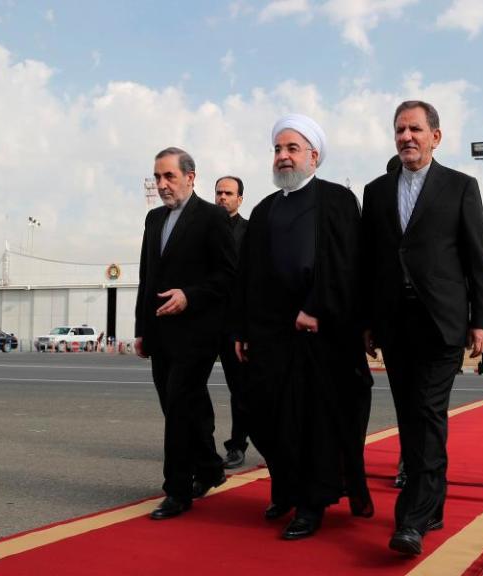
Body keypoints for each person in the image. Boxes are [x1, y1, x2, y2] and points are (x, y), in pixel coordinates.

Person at [233, 114, 372, 540]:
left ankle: (311, 503)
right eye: (278, 149)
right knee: (265, 415)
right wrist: (243, 328)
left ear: (314, 156)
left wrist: (316, 308)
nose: (283, 156)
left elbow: (347, 263)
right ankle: (287, 487)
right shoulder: (264, 208)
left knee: (311, 422)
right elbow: (249, 275)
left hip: (319, 331)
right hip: (271, 332)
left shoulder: (337, 201)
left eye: (292, 149)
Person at [361, 100, 483, 556]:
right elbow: (370, 264)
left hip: (441, 323)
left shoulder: (461, 187)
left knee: (428, 415)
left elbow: (477, 258)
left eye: (415, 129)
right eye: (399, 130)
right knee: (409, 418)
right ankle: (431, 503)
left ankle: (411, 520)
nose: (406, 137)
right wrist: (368, 322)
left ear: (436, 136)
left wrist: (482, 321)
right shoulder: (375, 191)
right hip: (395, 325)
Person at [135, 147, 236, 520]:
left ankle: (176, 490)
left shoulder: (212, 218)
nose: (162, 184)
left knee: (179, 405)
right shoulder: (153, 219)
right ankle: (210, 467)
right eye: (157, 177)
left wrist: (189, 296)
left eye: (169, 177)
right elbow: (148, 277)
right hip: (160, 333)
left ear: (190, 178)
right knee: (177, 406)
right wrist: (141, 329)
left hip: (197, 332)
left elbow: (228, 274)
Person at [214, 175, 249, 469]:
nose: (223, 197)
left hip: (234, 324)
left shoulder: (250, 232)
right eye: (219, 193)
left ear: (240, 198)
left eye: (229, 193)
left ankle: (237, 446)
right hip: (202, 322)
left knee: (239, 388)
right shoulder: (201, 228)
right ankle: (197, 443)